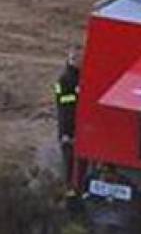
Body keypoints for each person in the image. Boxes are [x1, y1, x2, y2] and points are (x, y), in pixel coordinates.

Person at [54, 46, 81, 186]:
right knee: (69, 163)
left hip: (81, 126)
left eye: (79, 58)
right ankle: (68, 189)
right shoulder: (63, 79)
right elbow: (62, 102)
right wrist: (65, 133)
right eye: (74, 58)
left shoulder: (83, 75)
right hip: (67, 127)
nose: (77, 61)